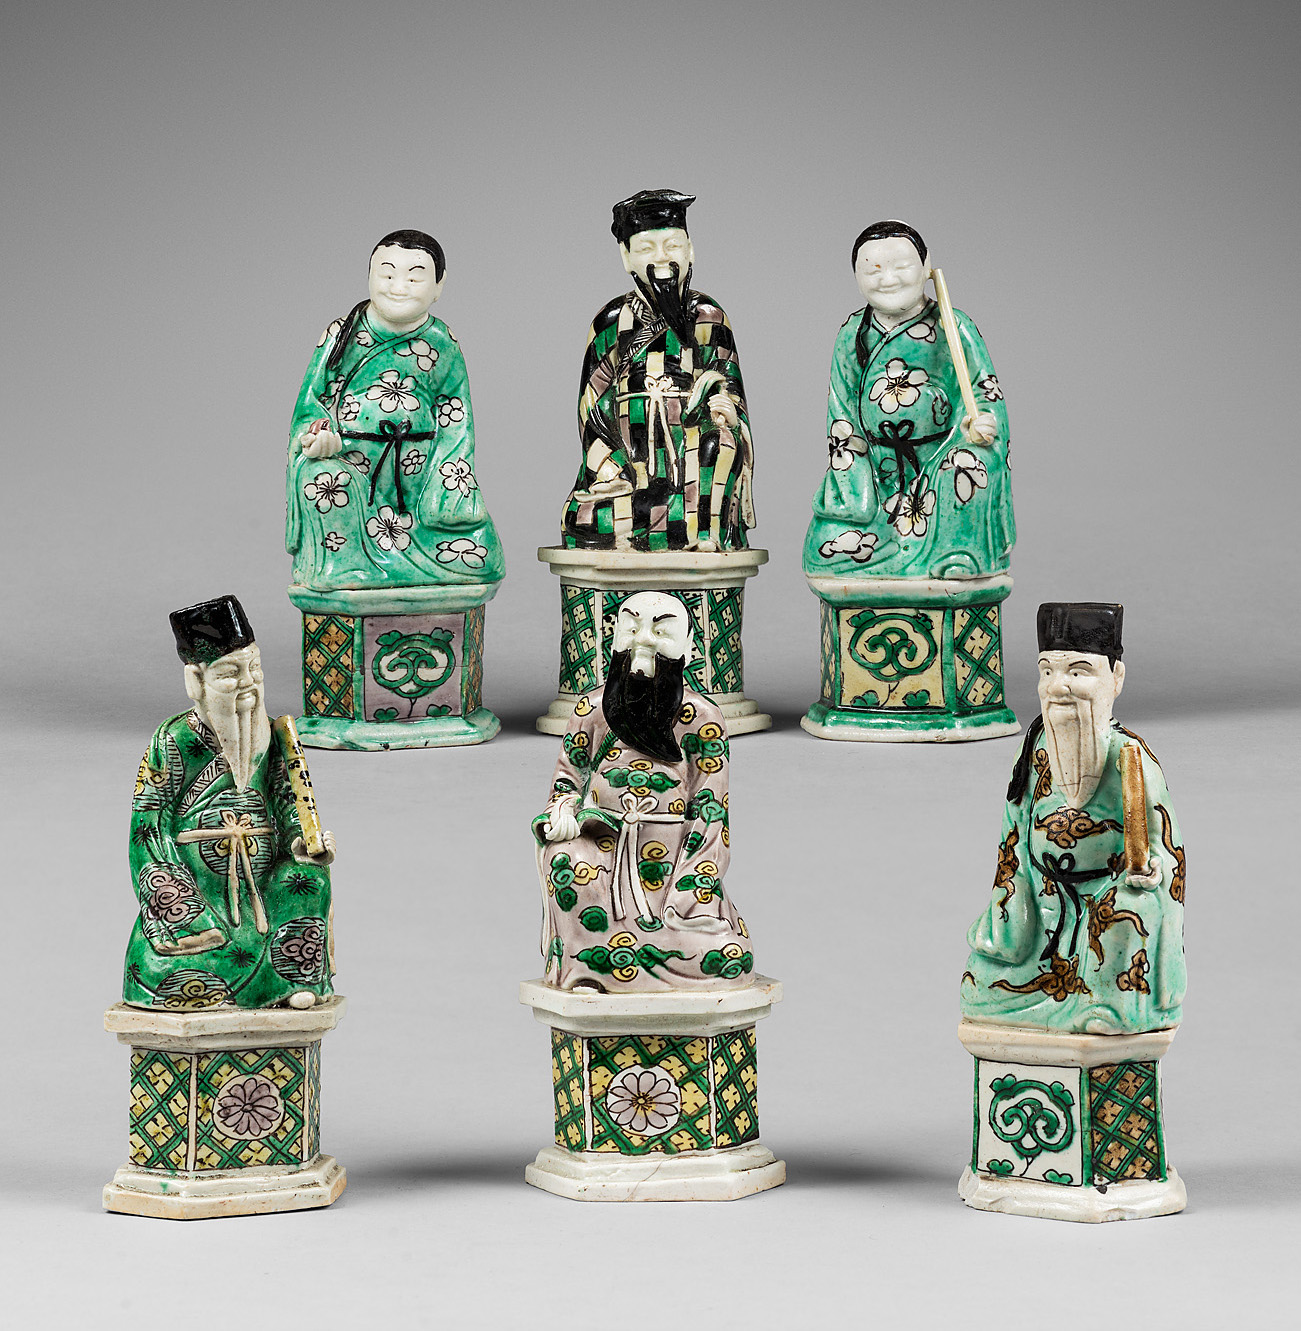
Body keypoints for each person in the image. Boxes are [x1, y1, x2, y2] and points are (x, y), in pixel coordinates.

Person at [961, 604, 1186, 1034]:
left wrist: (1152, 871)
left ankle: (1107, 1009)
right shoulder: (1034, 749)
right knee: (978, 983)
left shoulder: (1132, 759)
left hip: (1105, 904)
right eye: (1047, 671)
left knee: (1130, 913)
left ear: (1115, 679)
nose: (1058, 686)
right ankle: (1061, 1009)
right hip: (1042, 908)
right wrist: (1014, 900)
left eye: (1078, 672)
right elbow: (1013, 834)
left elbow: (1167, 851)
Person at [533, 592, 754, 991]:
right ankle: (586, 969)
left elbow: (711, 811)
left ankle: (632, 961)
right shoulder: (592, 710)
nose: (644, 640)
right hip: (602, 849)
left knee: (727, 956)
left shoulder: (702, 718)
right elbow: (568, 778)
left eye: (661, 630)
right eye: (631, 627)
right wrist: (563, 811)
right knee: (565, 861)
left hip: (672, 866)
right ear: (613, 639)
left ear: (689, 647)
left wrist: (692, 892)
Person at [125, 596, 336, 1009]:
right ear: (195, 681)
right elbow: (147, 829)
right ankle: (237, 981)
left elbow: (289, 803)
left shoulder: (274, 737)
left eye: (254, 669)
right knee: (164, 971)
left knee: (308, 880)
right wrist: (183, 907)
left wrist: (303, 842)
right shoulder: (172, 741)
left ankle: (291, 980)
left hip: (264, 887)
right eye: (230, 674)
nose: (248, 684)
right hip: (202, 891)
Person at [286, 229, 503, 590]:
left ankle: (401, 565)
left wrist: (447, 486)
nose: (398, 287)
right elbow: (313, 403)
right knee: (323, 480)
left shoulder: (441, 342)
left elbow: (457, 415)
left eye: (414, 278)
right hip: (352, 466)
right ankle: (346, 569)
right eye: (386, 275)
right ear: (369, 276)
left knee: (483, 556)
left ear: (438, 286)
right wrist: (320, 438)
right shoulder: (342, 335)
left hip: (417, 482)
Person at [803, 220, 1014, 579]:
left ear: (926, 266)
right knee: (823, 547)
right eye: (873, 271)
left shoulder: (953, 325)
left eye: (901, 267)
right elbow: (841, 414)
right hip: (877, 469)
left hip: (939, 460)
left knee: (966, 468)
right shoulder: (853, 333)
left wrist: (981, 422)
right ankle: (900, 556)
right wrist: (855, 487)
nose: (888, 280)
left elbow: (984, 390)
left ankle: (953, 555)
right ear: (856, 276)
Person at [562, 190, 754, 552]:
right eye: (646, 249)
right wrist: (609, 469)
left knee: (719, 443)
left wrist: (727, 409)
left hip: (692, 465)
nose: (662, 257)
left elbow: (730, 386)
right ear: (626, 257)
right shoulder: (610, 323)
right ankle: (677, 523)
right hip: (630, 472)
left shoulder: (708, 317)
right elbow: (591, 406)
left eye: (673, 245)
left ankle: (703, 533)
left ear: (690, 250)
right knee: (581, 518)